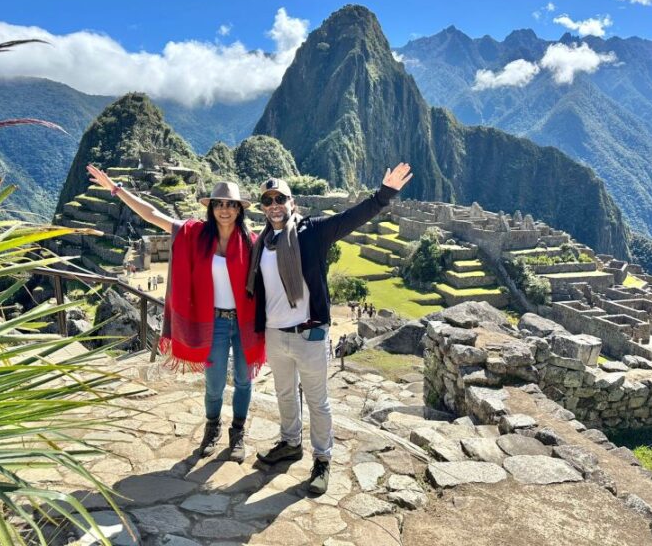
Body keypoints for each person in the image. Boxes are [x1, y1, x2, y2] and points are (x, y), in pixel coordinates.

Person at [247, 163, 413, 495]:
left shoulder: (313, 233)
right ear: (263, 208)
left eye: (280, 198)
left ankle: (322, 460)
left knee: (317, 401)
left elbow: (350, 218)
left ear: (291, 203)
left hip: (309, 334)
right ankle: (290, 443)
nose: (275, 205)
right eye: (268, 201)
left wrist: (384, 195)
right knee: (283, 394)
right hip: (276, 334)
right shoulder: (261, 243)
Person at [86, 164, 265, 462]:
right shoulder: (195, 234)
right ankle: (212, 428)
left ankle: (238, 433)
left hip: (244, 322)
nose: (224, 210)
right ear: (211, 208)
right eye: (219, 204)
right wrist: (117, 191)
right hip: (215, 323)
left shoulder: (251, 242)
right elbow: (152, 215)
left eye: (230, 205)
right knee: (214, 383)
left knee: (245, 381)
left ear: (239, 209)